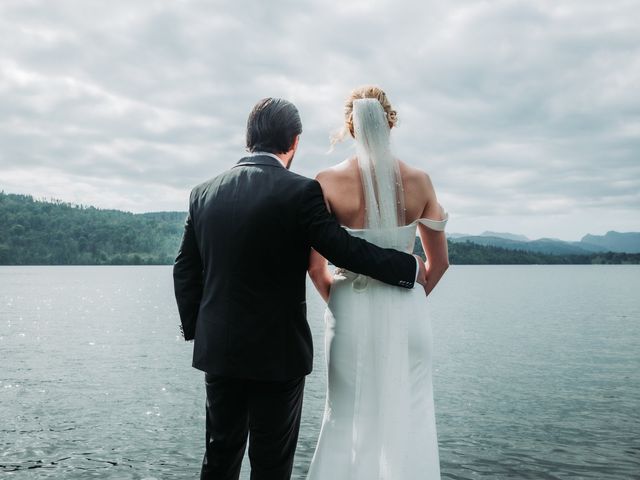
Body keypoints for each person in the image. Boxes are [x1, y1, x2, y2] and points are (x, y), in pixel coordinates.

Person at [173, 97, 429, 480]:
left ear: (249, 140)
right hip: (279, 354)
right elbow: (342, 250)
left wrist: (198, 329)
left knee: (220, 454)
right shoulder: (300, 192)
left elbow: (184, 271)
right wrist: (408, 266)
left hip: (220, 351)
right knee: (271, 464)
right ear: (294, 142)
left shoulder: (204, 193)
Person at [306, 86, 449, 479]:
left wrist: (341, 301)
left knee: (345, 418)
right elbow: (439, 263)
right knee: (413, 416)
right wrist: (410, 301)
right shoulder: (420, 181)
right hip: (409, 315)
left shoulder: (326, 181)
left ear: (351, 128)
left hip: (349, 312)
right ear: (391, 123)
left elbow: (316, 268)